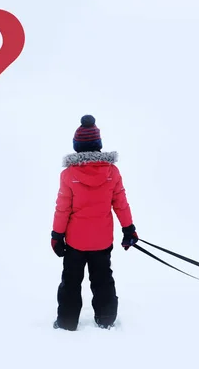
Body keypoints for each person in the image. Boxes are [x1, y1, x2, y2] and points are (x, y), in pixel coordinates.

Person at [50, 114, 139, 331]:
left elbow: (63, 208)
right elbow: (121, 203)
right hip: (101, 240)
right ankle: (106, 319)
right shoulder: (112, 172)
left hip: (75, 243)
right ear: (98, 145)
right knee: (102, 280)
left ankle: (67, 321)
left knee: (71, 281)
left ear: (77, 146)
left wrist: (56, 235)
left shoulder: (68, 175)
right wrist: (129, 229)